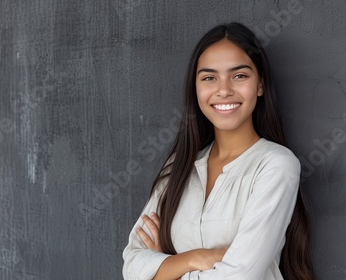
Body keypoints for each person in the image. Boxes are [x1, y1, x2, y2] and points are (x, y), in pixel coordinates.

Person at [122, 22, 314, 280]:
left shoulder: (276, 165)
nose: (224, 90)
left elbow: (238, 277)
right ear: (196, 88)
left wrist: (166, 268)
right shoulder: (178, 165)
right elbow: (132, 266)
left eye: (239, 75)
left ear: (260, 85)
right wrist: (194, 258)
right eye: (209, 78)